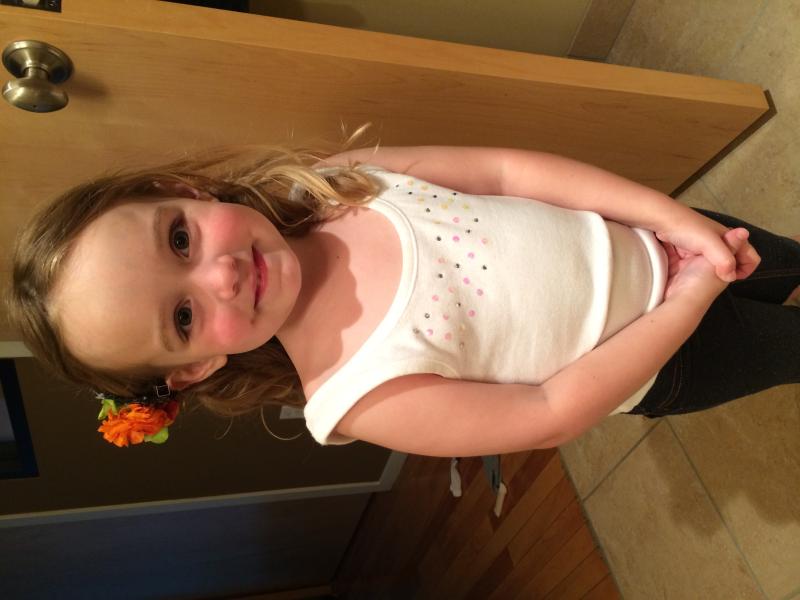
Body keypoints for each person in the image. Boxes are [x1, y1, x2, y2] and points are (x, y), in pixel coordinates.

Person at [6, 125, 800, 456]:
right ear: (193, 369)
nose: (220, 275)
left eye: (180, 239)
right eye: (183, 316)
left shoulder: (337, 184)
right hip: (668, 358)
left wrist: (670, 220)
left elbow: (505, 172)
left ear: (181, 191)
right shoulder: (356, 396)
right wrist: (687, 301)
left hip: (669, 237)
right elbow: (548, 412)